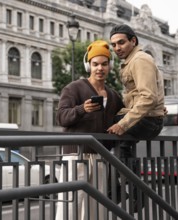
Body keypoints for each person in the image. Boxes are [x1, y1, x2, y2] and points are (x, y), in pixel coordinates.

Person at [55, 40, 124, 220]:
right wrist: (81, 109)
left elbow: (125, 116)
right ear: (88, 65)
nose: (99, 68)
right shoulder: (73, 88)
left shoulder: (114, 96)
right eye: (95, 64)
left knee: (96, 210)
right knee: (71, 209)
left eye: (104, 64)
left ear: (110, 66)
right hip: (75, 156)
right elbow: (61, 117)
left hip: (100, 157)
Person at [107, 24, 165, 210]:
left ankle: (118, 191)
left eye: (121, 43)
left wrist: (123, 124)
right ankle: (131, 193)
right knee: (123, 150)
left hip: (148, 121)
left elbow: (148, 97)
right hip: (147, 118)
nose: (117, 48)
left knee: (103, 132)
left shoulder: (140, 60)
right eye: (114, 45)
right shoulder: (131, 61)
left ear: (133, 41)